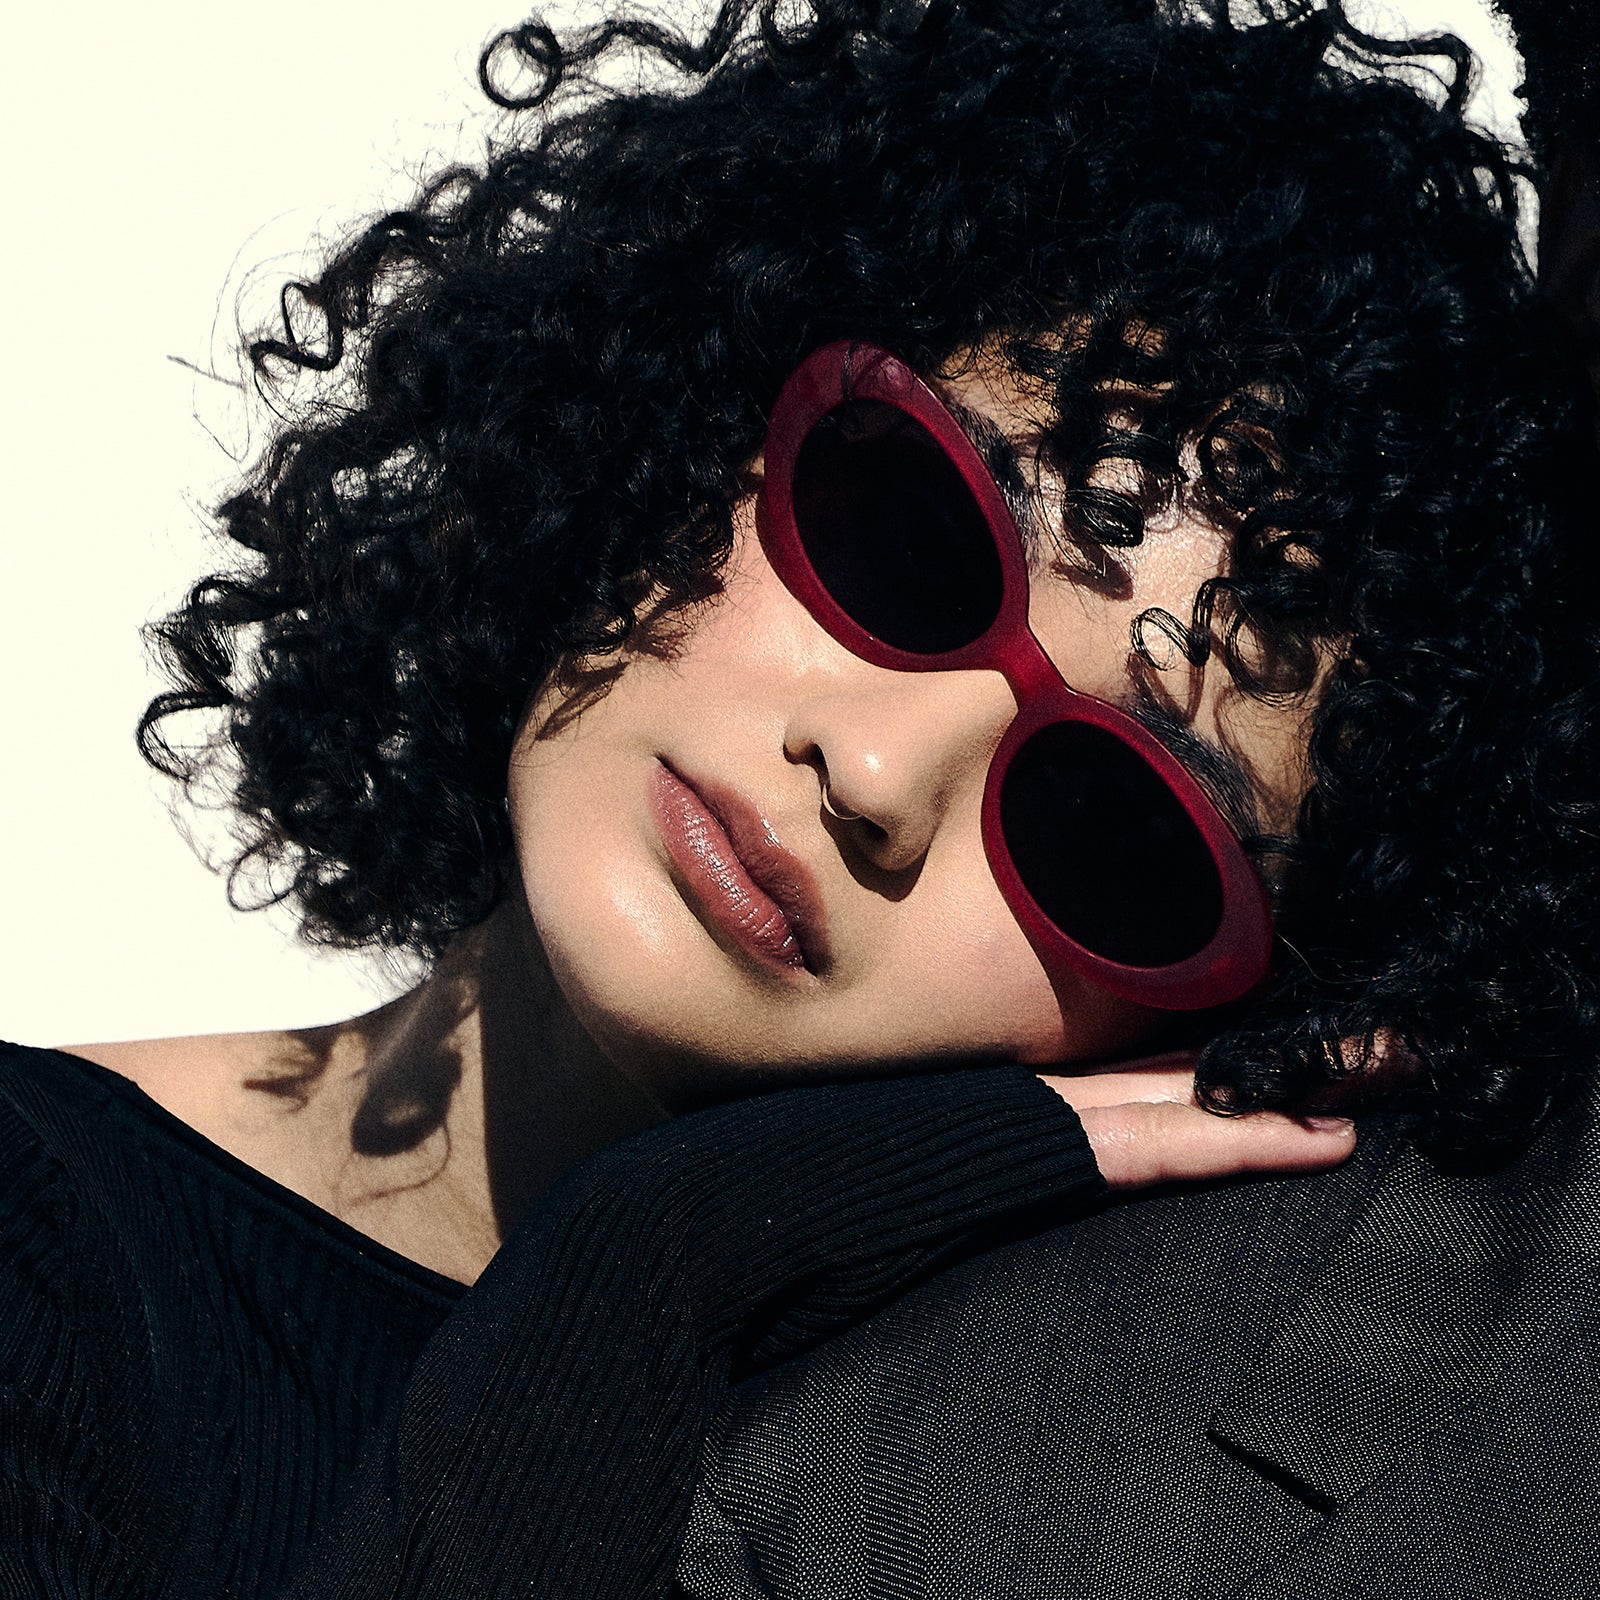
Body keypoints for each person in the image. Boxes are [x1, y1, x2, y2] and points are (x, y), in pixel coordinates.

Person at [2, 0, 1595, 1595]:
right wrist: (631, 1287)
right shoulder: (39, 1240)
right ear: (687, 408)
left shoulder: (970, 1507)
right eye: (905, 529)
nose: (881, 772)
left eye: (1119, 827)